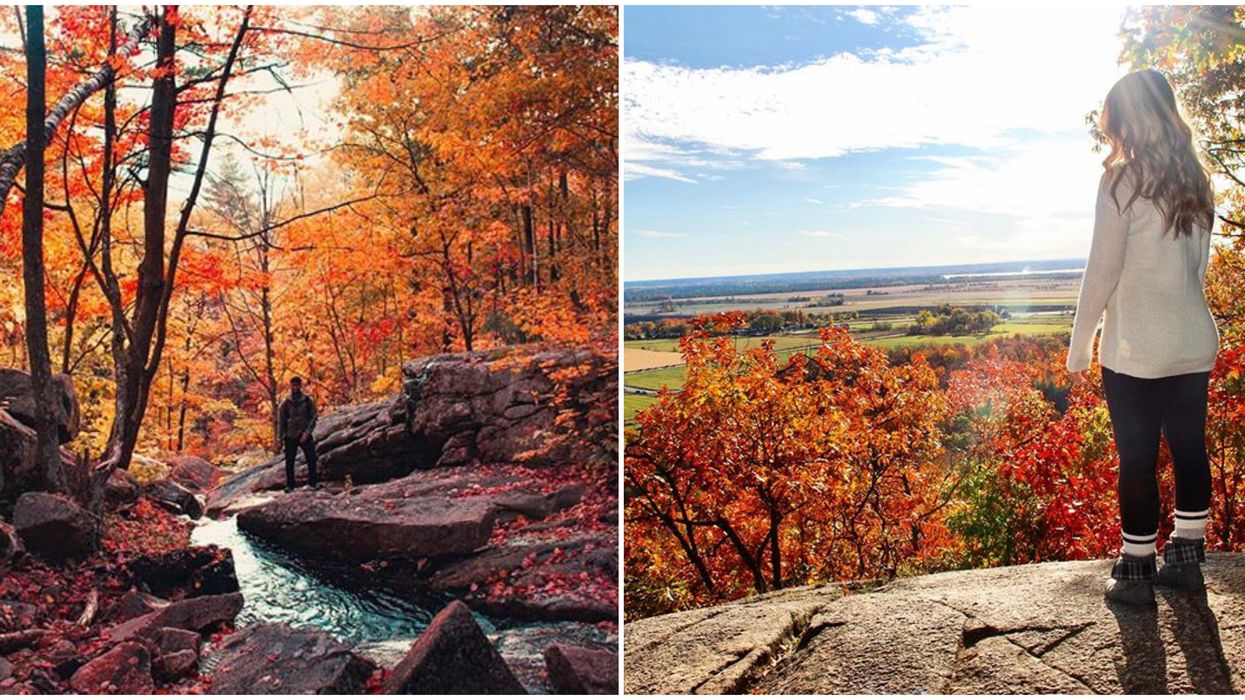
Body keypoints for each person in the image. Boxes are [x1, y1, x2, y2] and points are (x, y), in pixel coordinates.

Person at [1067, 69, 1219, 606]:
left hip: (1135, 349)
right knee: (1188, 449)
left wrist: (1080, 344)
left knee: (1136, 457)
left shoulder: (1120, 181)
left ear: (1128, 117)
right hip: (1192, 339)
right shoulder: (1197, 181)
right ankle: (1186, 556)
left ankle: (1135, 568)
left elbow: (1101, 270)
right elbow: (1196, 270)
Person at [278, 376, 319, 492]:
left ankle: (313, 483)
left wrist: (307, 432)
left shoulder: (307, 400)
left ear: (300, 385)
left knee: (311, 459)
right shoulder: (285, 403)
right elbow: (281, 421)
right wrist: (280, 439)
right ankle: (290, 486)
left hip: (304, 434)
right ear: (290, 386)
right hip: (290, 436)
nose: (295, 387)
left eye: (297, 385)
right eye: (293, 385)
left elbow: (314, 417)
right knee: (289, 462)